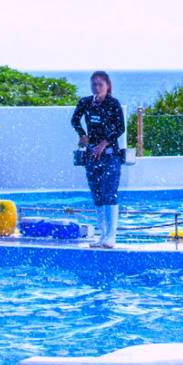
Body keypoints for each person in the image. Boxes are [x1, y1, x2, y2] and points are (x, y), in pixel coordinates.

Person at [71, 71, 125, 248]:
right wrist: (82, 135)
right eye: (94, 84)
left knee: (109, 193)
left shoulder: (113, 103)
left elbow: (120, 127)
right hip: (92, 155)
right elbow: (75, 120)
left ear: (107, 86)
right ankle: (101, 235)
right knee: (97, 195)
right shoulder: (86, 102)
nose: (97, 87)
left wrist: (104, 142)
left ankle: (111, 236)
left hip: (110, 155)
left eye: (100, 84)